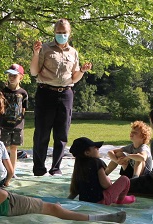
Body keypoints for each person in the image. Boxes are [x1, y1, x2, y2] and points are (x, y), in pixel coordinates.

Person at [29, 18, 92, 176]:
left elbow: (74, 78)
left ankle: (56, 168)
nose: (61, 35)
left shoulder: (73, 52)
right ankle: (39, 168)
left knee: (62, 134)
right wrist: (36, 53)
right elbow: (34, 72)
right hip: (45, 92)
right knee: (42, 133)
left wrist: (82, 71)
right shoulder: (44, 48)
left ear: (69, 33)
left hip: (66, 94)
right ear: (54, 32)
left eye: (64, 32)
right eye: (59, 32)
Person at [67, 137, 135, 205]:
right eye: (95, 147)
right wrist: (108, 180)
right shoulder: (97, 162)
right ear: (87, 152)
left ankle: (116, 199)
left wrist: (67, 201)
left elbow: (75, 190)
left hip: (84, 201)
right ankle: (119, 201)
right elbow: (105, 185)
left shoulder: (79, 167)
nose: (98, 148)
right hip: (100, 200)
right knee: (125, 179)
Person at [0, 64, 29, 170]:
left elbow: (24, 109)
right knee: (4, 148)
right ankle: (3, 169)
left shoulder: (23, 93)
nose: (11, 77)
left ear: (21, 77)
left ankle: (12, 170)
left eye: (14, 76)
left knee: (14, 148)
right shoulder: (3, 92)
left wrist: (20, 121)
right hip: (4, 125)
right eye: (9, 75)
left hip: (17, 125)